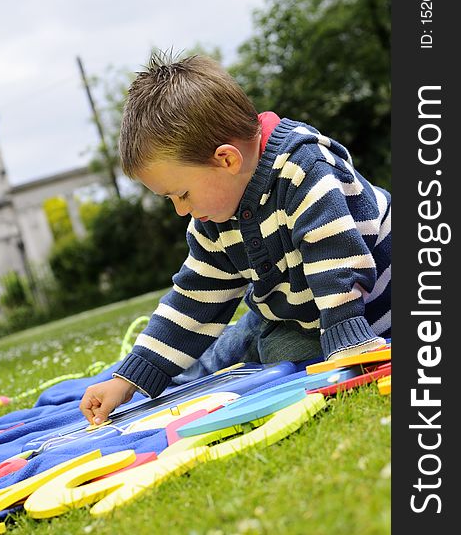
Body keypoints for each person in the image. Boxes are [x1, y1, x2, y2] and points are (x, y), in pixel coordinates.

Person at [80, 52, 391, 425]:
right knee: (231, 346)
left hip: (366, 311)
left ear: (226, 160)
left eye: (182, 194)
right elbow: (194, 297)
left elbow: (336, 256)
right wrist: (129, 377)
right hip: (295, 314)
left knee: (275, 348)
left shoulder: (302, 168)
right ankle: (180, 369)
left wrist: (349, 344)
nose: (180, 210)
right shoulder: (215, 218)